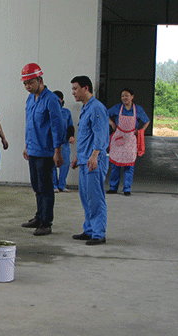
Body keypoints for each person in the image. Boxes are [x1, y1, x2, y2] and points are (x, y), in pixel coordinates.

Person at [20, 63, 65, 236]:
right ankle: (39, 217)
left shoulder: (51, 99)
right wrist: (26, 145)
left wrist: (57, 151)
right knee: (37, 186)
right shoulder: (30, 99)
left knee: (46, 188)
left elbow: (57, 127)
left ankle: (46, 222)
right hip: (32, 150)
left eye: (30, 82)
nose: (28, 87)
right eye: (25, 84)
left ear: (40, 79)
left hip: (46, 152)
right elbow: (29, 125)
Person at [70, 76, 109, 245]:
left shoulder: (97, 108)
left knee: (95, 197)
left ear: (86, 88)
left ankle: (99, 233)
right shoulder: (86, 108)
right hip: (85, 160)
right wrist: (79, 157)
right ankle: (90, 229)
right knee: (86, 197)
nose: (73, 92)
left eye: (75, 89)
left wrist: (94, 156)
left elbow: (100, 135)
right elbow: (87, 137)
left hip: (94, 161)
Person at [107, 88, 150, 196]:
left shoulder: (138, 109)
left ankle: (127, 189)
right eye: (122, 96)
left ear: (132, 97)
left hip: (130, 139)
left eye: (126, 95)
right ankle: (113, 188)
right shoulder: (117, 108)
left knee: (129, 165)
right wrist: (112, 124)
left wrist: (141, 131)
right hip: (119, 138)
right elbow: (105, 114)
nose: (124, 98)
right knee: (115, 164)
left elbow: (147, 121)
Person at [52, 90, 75, 193]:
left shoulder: (66, 112)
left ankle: (62, 185)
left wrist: (71, 136)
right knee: (52, 164)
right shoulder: (49, 112)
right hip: (52, 143)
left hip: (64, 143)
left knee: (65, 163)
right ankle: (54, 185)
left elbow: (70, 126)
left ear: (61, 100)